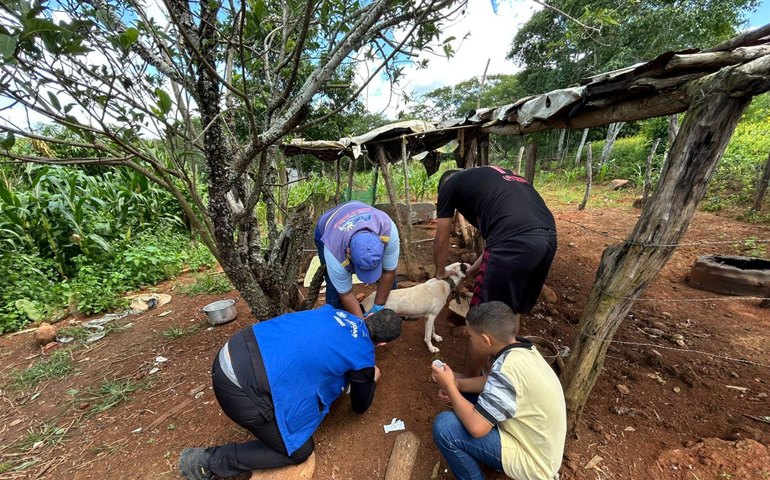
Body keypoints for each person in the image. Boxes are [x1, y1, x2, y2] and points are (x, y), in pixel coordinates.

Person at [178, 305, 402, 480]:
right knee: (299, 451)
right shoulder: (363, 357)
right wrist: (371, 378)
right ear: (381, 344)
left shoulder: (333, 313)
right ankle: (206, 460)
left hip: (234, 348)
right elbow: (359, 406)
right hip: (238, 390)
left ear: (369, 316)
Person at [433, 166, 557, 375]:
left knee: (481, 319)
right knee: (511, 309)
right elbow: (497, 241)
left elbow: (441, 239)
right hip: (547, 240)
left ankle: (469, 380)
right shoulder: (496, 180)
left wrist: (439, 273)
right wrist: (472, 269)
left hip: (514, 243)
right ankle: (502, 367)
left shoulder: (449, 185)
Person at [431, 302, 566, 480]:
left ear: (486, 340)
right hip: (539, 448)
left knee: (445, 427)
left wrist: (449, 386)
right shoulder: (523, 350)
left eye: (471, 337)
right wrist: (458, 385)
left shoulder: (507, 370)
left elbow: (476, 428)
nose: (469, 340)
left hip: (534, 464)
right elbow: (493, 382)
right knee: (467, 396)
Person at [314, 200, 400, 318]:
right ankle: (338, 320)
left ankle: (391, 310)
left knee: (389, 281)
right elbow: (346, 293)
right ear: (348, 252)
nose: (368, 282)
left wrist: (379, 306)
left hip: (358, 209)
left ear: (381, 244)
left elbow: (388, 271)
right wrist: (362, 324)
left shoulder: (388, 230)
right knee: (334, 285)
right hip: (327, 227)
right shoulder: (333, 251)